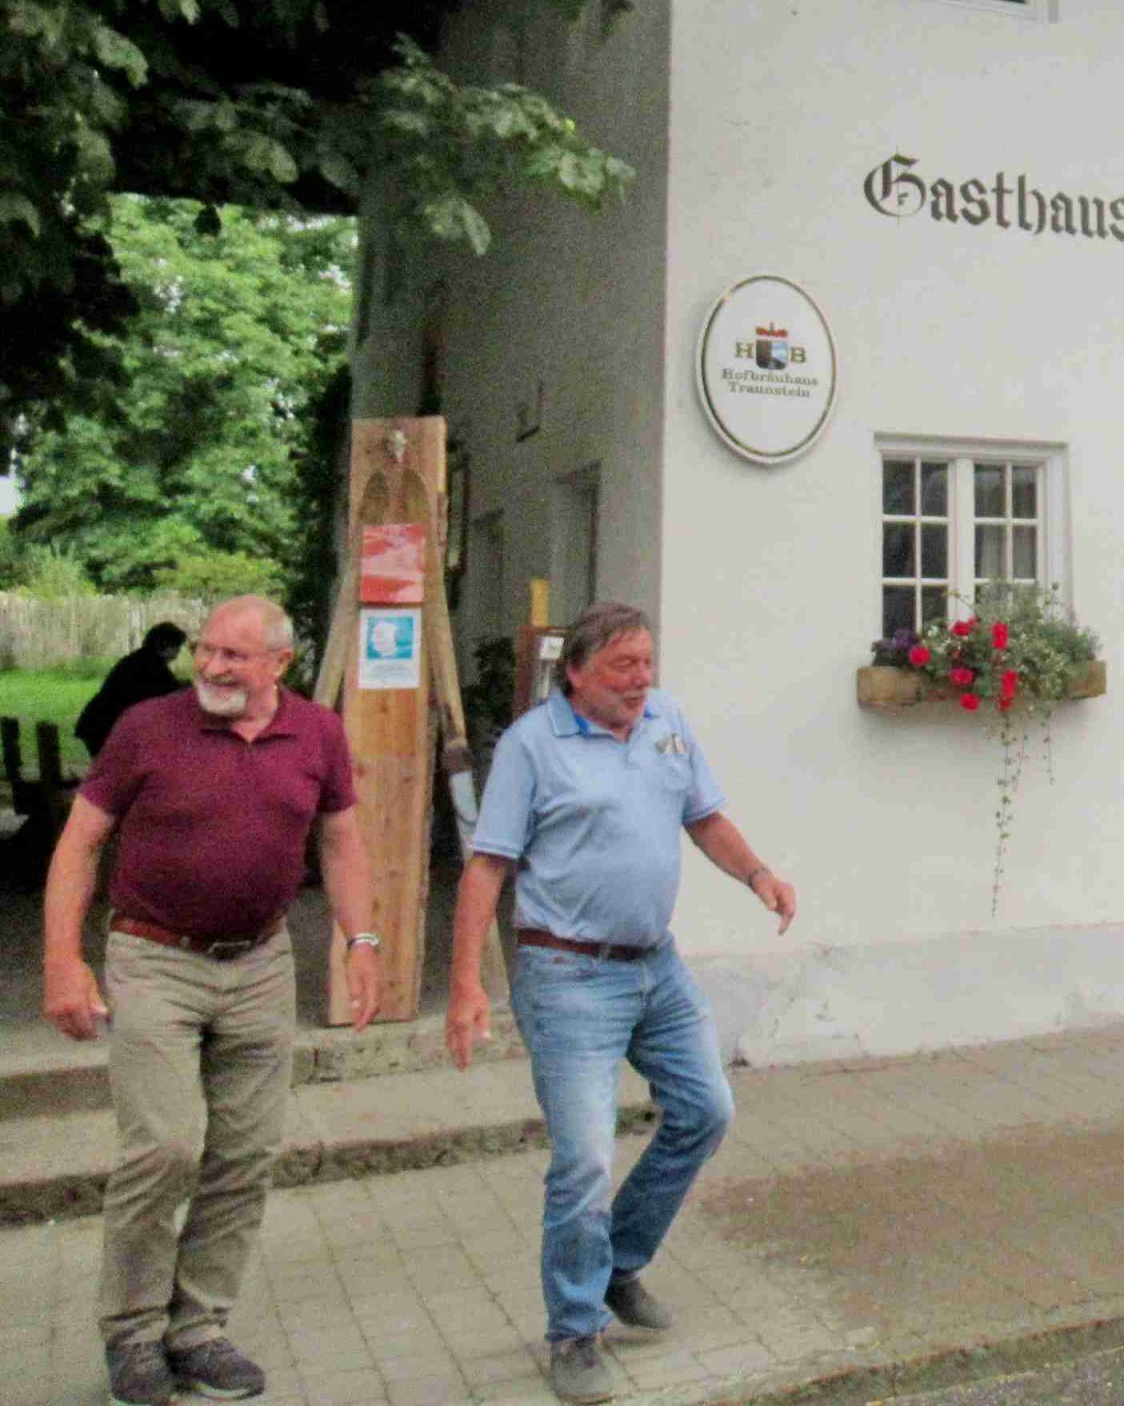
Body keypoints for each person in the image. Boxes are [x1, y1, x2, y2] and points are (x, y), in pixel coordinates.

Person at [446, 600, 797, 1405]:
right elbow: (487, 867)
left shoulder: (666, 720)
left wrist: (758, 875)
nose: (641, 680)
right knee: (584, 1161)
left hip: (655, 968)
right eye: (622, 667)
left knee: (705, 1111)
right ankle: (574, 1330)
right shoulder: (532, 746)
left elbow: (703, 817)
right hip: (568, 976)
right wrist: (467, 984)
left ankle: (617, 1265)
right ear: (575, 674)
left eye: (647, 662)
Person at [43, 596, 381, 1406]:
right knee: (162, 1147)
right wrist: (62, 960)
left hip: (261, 963)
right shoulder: (146, 729)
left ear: (280, 663)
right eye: (206, 649)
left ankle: (197, 1329)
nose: (212, 667)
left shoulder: (319, 733)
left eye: (234, 655)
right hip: (154, 958)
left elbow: (340, 840)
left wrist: (361, 940)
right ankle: (132, 1333)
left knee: (246, 1152)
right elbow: (81, 841)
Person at [74, 621, 189, 760]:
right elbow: (171, 692)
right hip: (105, 726)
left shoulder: (141, 659)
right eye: (176, 646)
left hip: (101, 724)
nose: (178, 652)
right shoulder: (152, 665)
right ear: (164, 644)